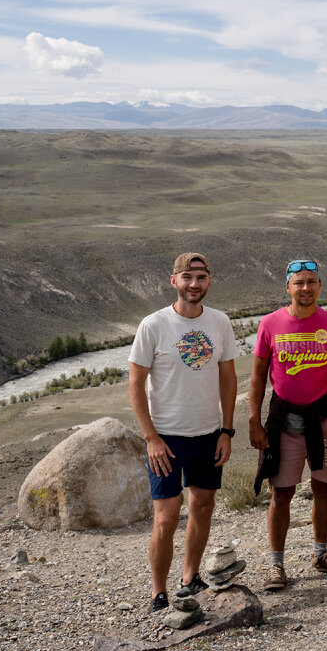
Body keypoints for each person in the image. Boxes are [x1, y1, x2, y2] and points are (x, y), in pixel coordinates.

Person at [129, 252, 239, 613]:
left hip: (208, 434)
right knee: (166, 516)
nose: (194, 284)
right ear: (173, 280)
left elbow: (227, 378)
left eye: (201, 277)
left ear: (209, 282)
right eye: (187, 277)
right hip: (167, 439)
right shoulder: (154, 325)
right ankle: (158, 591)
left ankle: (189, 578)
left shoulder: (220, 322)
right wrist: (151, 438)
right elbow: (135, 383)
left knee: (203, 507)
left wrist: (227, 430)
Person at [249, 259, 327, 590]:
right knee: (282, 492)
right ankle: (276, 564)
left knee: (323, 486)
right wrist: (254, 419)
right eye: (299, 283)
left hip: (322, 418)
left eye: (311, 282)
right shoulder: (270, 324)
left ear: (320, 286)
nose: (305, 288)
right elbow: (257, 375)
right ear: (288, 288)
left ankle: (321, 554)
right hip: (284, 419)